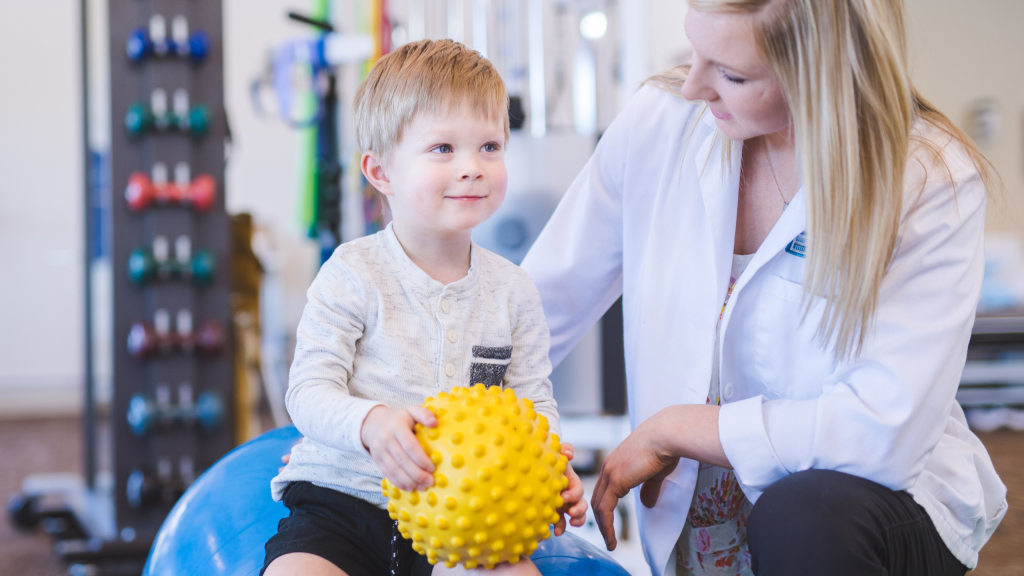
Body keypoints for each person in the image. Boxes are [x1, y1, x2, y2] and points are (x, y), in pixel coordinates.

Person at [520, 1, 1007, 575]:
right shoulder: (660, 122)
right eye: (693, 53)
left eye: (731, 74)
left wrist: (679, 428)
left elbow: (882, 435)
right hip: (699, 531)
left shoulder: (927, 176)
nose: (695, 86)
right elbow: (530, 314)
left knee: (803, 514)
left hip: (866, 513)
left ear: (820, 72)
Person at [262, 39, 587, 576]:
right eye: (443, 149)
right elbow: (309, 390)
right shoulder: (352, 272)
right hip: (342, 502)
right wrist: (371, 423)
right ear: (381, 172)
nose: (472, 168)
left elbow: (532, 403)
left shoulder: (514, 290)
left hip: (469, 512)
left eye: (489, 146)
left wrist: (547, 465)